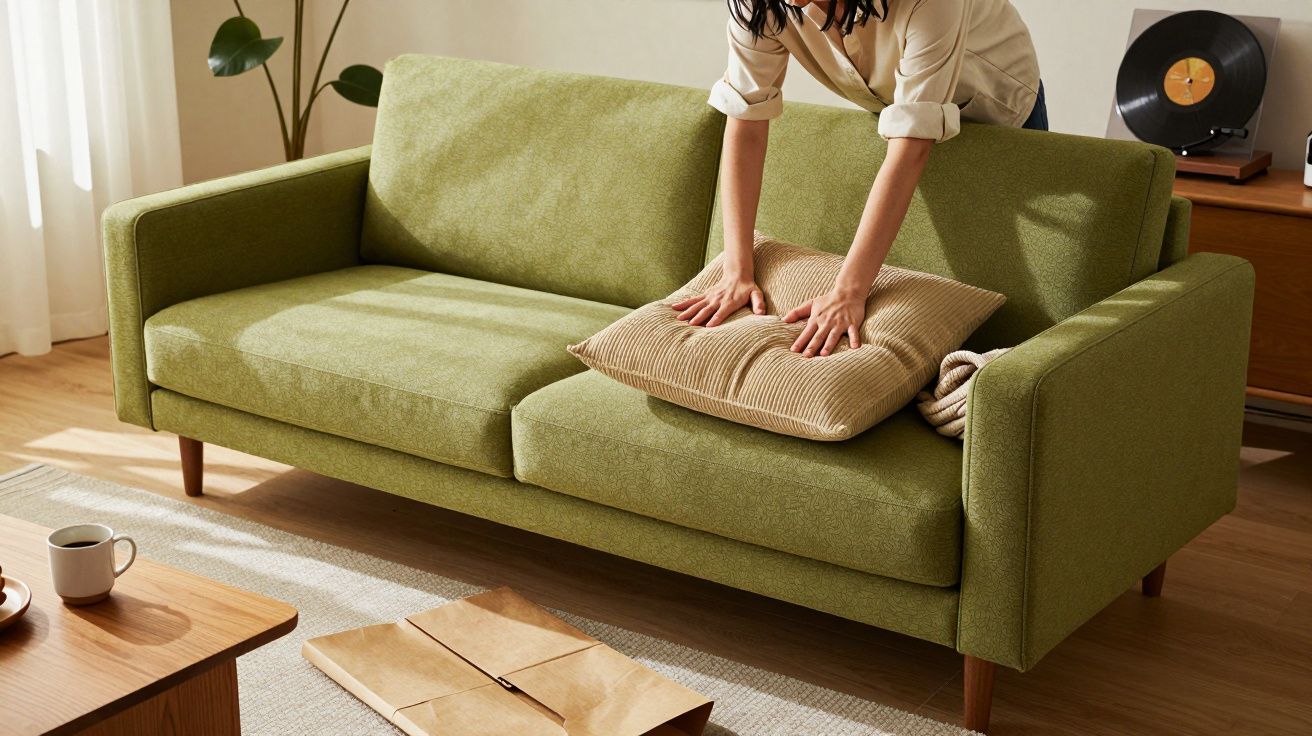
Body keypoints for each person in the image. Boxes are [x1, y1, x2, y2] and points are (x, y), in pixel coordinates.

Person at [673, 0, 1043, 358]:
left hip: (1002, 111)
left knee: (1018, 296)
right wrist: (736, 271)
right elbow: (746, 120)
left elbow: (911, 148)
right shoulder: (757, 4)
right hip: (902, 105)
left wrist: (848, 292)